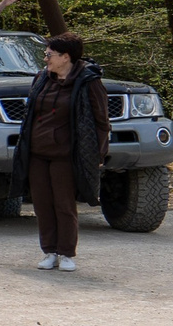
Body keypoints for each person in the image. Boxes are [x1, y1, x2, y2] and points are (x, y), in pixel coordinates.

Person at [10, 32, 108, 273]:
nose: (46, 59)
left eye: (49, 54)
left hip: (66, 154)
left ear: (66, 57)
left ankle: (66, 253)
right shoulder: (42, 78)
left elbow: (101, 121)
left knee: (64, 204)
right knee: (42, 204)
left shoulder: (88, 81)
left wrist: (99, 154)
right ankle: (49, 251)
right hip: (36, 151)